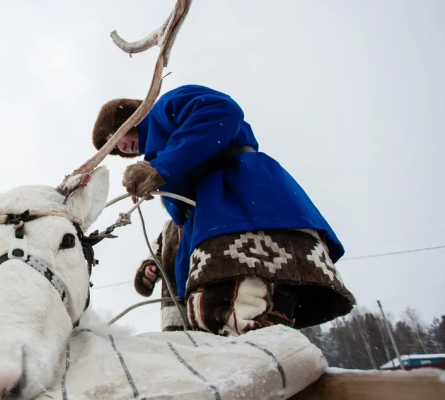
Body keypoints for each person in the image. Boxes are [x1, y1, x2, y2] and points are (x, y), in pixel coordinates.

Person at [92, 85, 354, 336]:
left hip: (240, 205)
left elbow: (221, 110)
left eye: (113, 137)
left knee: (243, 312)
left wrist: (164, 167)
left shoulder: (166, 107)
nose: (118, 147)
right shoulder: (160, 155)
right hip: (210, 224)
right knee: (228, 322)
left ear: (128, 118)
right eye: (112, 148)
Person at [133, 216, 187, 332]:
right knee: (179, 347)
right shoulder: (167, 230)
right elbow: (155, 257)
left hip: (208, 304)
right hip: (175, 313)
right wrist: (149, 269)